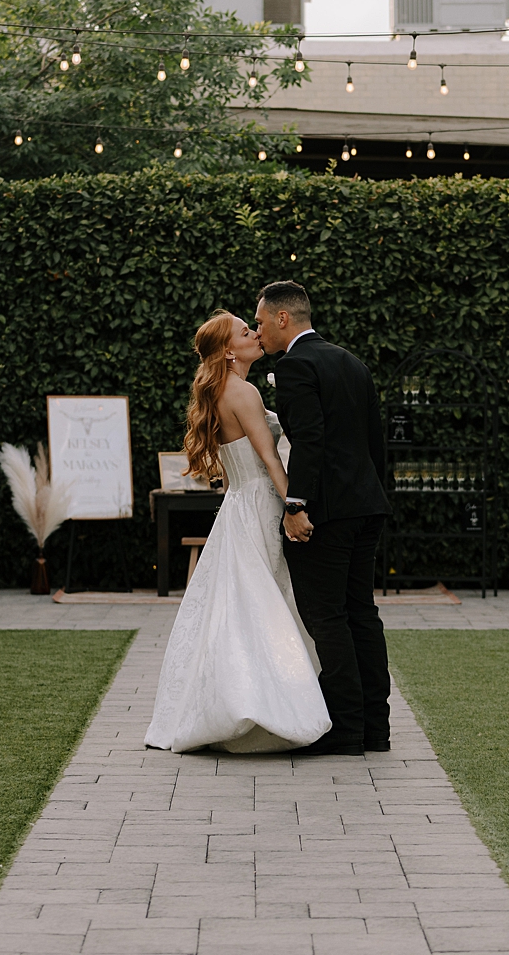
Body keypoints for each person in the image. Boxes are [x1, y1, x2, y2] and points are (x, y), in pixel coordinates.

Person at [145, 311, 331, 754]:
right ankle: (264, 705)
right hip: (261, 505)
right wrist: (294, 507)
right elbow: (270, 460)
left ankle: (233, 700)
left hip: (237, 507)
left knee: (241, 605)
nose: (255, 334)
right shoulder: (243, 391)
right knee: (266, 603)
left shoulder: (221, 391)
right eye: (246, 332)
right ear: (229, 350)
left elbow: (234, 472)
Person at [256, 281, 391, 756]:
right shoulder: (351, 361)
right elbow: (375, 441)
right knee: (362, 614)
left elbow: (309, 441)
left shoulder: (294, 365)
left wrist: (296, 506)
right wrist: (376, 497)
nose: (259, 331)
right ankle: (376, 727)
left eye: (260, 322)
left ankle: (345, 727)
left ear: (282, 318)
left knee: (327, 616)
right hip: (367, 505)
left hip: (327, 514)